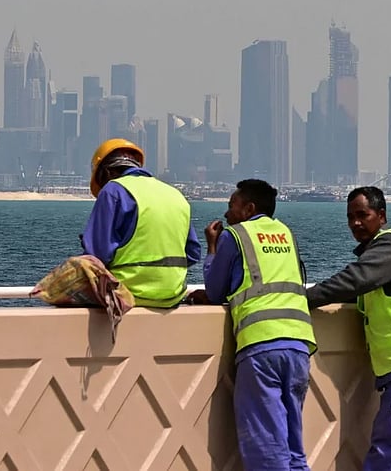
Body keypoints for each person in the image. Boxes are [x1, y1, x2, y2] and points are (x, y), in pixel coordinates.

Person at [306, 187, 391, 471]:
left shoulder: (387, 246)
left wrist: (300, 298)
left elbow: (353, 280)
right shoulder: (388, 250)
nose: (355, 223)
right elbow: (359, 289)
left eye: (362, 215)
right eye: (350, 217)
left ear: (381, 216)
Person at [201, 179, 316, 471]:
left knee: (266, 445)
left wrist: (212, 248)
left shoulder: (237, 235)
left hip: (261, 346)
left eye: (231, 206)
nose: (227, 214)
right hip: (299, 344)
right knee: (293, 446)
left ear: (248, 208)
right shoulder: (286, 234)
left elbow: (215, 291)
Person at [81, 138, 200, 308]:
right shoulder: (175, 195)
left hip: (127, 293)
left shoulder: (112, 190)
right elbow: (193, 253)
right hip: (171, 296)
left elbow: (97, 254)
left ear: (106, 173)